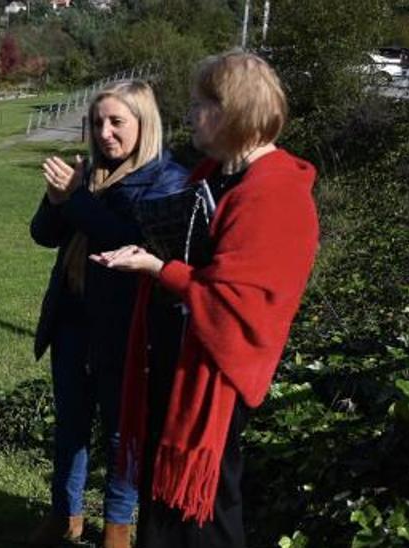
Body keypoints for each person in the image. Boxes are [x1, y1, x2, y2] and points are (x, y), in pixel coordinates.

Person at [91, 51, 319, 547]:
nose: (190, 114)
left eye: (199, 104)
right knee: (166, 507)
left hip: (209, 375)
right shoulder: (215, 175)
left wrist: (159, 269)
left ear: (231, 110)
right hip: (171, 362)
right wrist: (155, 255)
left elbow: (240, 303)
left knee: (204, 516)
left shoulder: (275, 190)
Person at [30, 80, 187, 548]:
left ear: (144, 123)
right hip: (73, 320)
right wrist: (59, 201)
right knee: (71, 426)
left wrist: (75, 199)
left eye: (117, 122)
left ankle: (118, 526)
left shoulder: (165, 179)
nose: (105, 133)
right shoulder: (89, 172)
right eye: (97, 122)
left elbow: (128, 235)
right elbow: (43, 234)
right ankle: (66, 515)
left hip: (128, 329)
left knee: (122, 434)